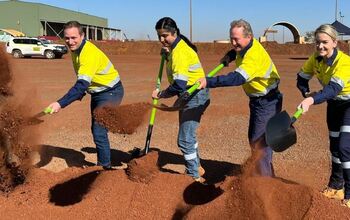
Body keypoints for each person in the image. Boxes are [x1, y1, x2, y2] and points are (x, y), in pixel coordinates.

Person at [197, 19, 282, 177]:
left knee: (259, 143)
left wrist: (208, 81)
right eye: (231, 38)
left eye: (236, 39)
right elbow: (235, 51)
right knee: (255, 138)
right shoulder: (244, 47)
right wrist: (228, 56)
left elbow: (236, 78)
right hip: (258, 101)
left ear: (249, 37)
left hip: (267, 102)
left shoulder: (253, 56)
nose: (233, 42)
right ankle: (264, 173)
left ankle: (264, 183)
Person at [47, 21, 124, 170]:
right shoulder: (76, 51)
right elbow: (84, 83)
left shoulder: (88, 54)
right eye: (67, 38)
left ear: (82, 35)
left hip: (111, 92)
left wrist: (60, 103)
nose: (70, 42)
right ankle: (104, 165)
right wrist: (80, 92)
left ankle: (104, 169)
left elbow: (81, 84)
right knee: (97, 129)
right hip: (97, 93)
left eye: (74, 37)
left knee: (99, 130)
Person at [296, 24, 350, 208]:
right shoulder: (315, 59)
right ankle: (336, 187)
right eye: (317, 42)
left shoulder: (344, 63)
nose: (320, 46)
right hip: (334, 105)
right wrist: (306, 93)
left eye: (325, 42)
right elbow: (301, 77)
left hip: (349, 104)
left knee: (344, 147)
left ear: (335, 42)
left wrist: (312, 101)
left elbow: (333, 89)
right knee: (334, 146)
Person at [152, 17, 209, 182]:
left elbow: (179, 84)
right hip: (189, 95)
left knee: (184, 139)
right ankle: (197, 166)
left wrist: (161, 94)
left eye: (165, 36)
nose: (162, 40)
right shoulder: (176, 48)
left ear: (174, 32)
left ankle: (194, 176)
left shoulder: (180, 52)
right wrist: (167, 54)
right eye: (159, 36)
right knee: (188, 136)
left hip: (194, 96)